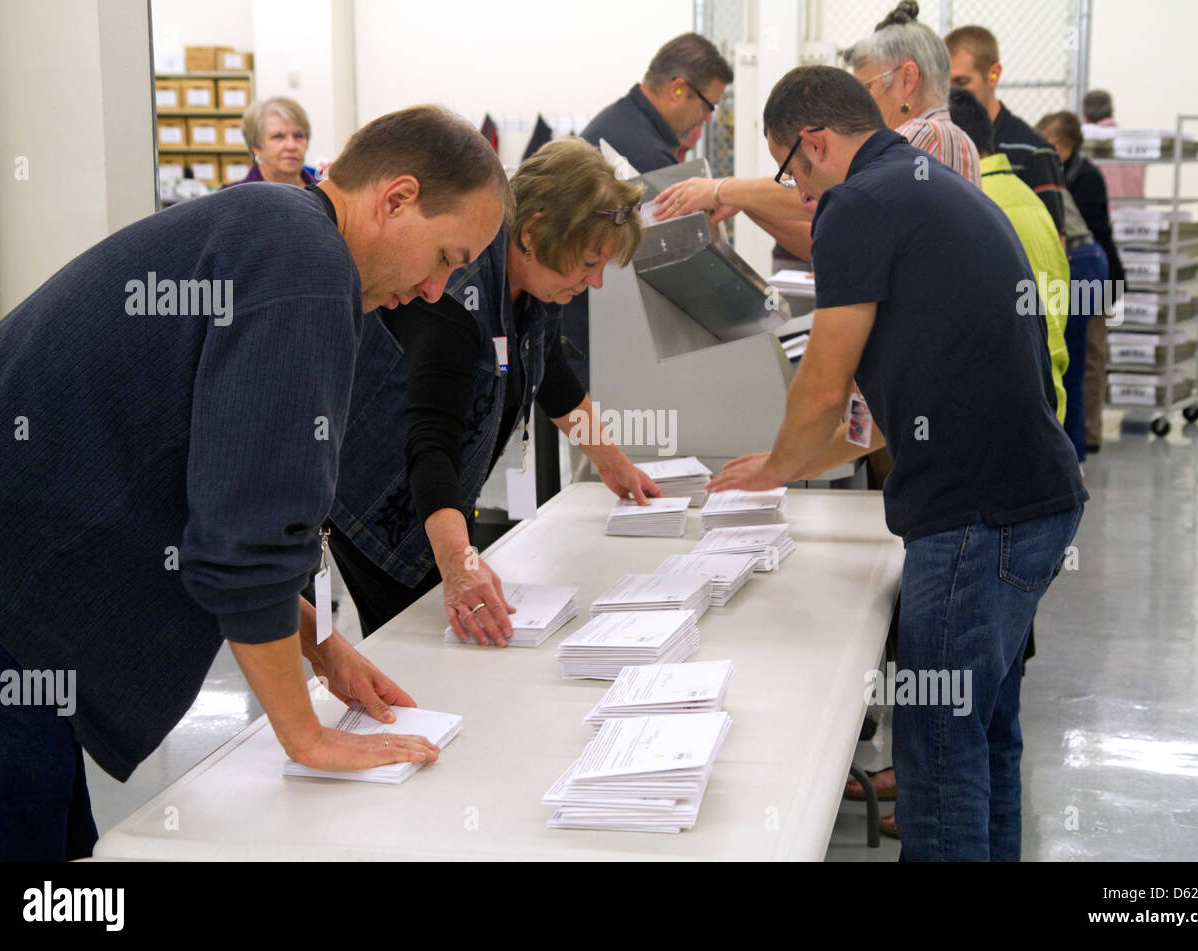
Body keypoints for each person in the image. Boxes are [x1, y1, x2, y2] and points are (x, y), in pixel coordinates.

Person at [0, 105, 510, 861]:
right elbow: (243, 539)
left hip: (13, 610)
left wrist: (321, 643)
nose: (435, 291)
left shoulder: (278, 230)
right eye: (447, 255)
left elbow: (216, 493)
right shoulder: (304, 265)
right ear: (395, 198)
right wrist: (307, 734)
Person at [709, 65, 1086, 861]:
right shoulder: (924, 189)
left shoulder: (858, 203)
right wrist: (791, 459)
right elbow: (873, 414)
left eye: (790, 171)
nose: (799, 196)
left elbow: (823, 378)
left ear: (814, 143)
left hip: (976, 517)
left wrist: (777, 467)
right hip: (1033, 500)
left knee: (939, 751)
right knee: (985, 733)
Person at [326, 139, 661, 644]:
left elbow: (549, 371)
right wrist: (460, 566)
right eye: (589, 262)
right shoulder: (456, 297)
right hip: (383, 495)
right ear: (532, 232)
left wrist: (613, 462)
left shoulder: (535, 277)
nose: (594, 282)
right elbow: (431, 444)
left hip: (441, 494)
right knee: (423, 645)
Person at [652, 1, 978, 262]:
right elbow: (814, 192)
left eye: (865, 88)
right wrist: (745, 197)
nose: (859, 104)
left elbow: (833, 192)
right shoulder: (948, 138)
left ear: (907, 79)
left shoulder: (923, 135)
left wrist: (723, 190)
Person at [952, 89, 1069, 424]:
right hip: (1046, 388)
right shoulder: (1027, 197)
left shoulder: (970, 204)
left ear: (956, 144)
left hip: (1004, 405)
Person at [1040, 109, 1126, 455]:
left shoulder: (1085, 175)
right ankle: (1080, 436)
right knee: (1082, 355)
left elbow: (1098, 232)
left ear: (1060, 144)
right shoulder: (1061, 171)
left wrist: (1105, 286)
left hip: (1091, 270)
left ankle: (1087, 435)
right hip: (1088, 267)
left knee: (1088, 356)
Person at [945, 24, 1066, 236]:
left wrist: (1042, 272)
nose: (951, 93)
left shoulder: (1034, 151)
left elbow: (1053, 241)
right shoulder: (941, 142)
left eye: (962, 81)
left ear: (994, 74)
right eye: (944, 84)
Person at [581, 33, 732, 175]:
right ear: (677, 90)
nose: (708, 118)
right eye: (708, 107)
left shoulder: (620, 118)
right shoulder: (650, 158)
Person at [227, 96, 320, 187]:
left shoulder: (326, 192)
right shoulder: (232, 198)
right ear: (256, 147)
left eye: (298, 136)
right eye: (278, 137)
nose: (291, 146)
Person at [1082, 89, 1146, 200]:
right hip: (1135, 212)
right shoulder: (1133, 141)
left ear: (1085, 117)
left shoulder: (1085, 143)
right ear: (1112, 111)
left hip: (1101, 213)